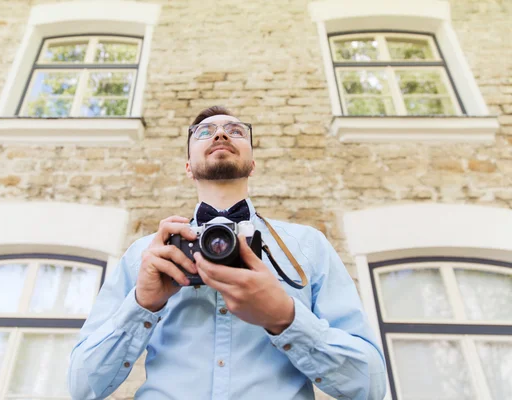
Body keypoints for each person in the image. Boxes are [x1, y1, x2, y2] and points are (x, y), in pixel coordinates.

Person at [67, 106, 387, 400]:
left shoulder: (307, 247)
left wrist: (286, 319)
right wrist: (142, 304)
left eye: (235, 131)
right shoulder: (147, 255)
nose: (220, 134)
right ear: (188, 167)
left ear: (253, 163)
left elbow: (369, 386)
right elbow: (82, 386)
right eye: (204, 132)